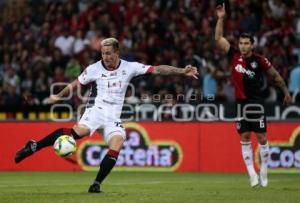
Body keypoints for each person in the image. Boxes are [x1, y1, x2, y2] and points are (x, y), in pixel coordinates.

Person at [14, 38, 199, 193]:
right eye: (103, 53)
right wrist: (57, 96)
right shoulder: (94, 68)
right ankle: (34, 146)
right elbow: (75, 83)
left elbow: (158, 69)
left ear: (117, 52)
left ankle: (96, 184)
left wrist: (182, 71)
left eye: (109, 53)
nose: (106, 57)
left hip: (113, 117)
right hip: (96, 110)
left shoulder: (130, 67)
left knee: (117, 142)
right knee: (80, 132)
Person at [215, 3, 292, 187]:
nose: (242, 46)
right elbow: (218, 38)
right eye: (240, 43)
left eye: (246, 43)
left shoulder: (260, 60)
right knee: (244, 138)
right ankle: (251, 174)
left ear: (252, 44)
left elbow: (276, 76)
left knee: (263, 138)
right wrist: (220, 18)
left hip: (256, 103)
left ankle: (264, 169)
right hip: (241, 104)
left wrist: (286, 93)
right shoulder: (233, 55)